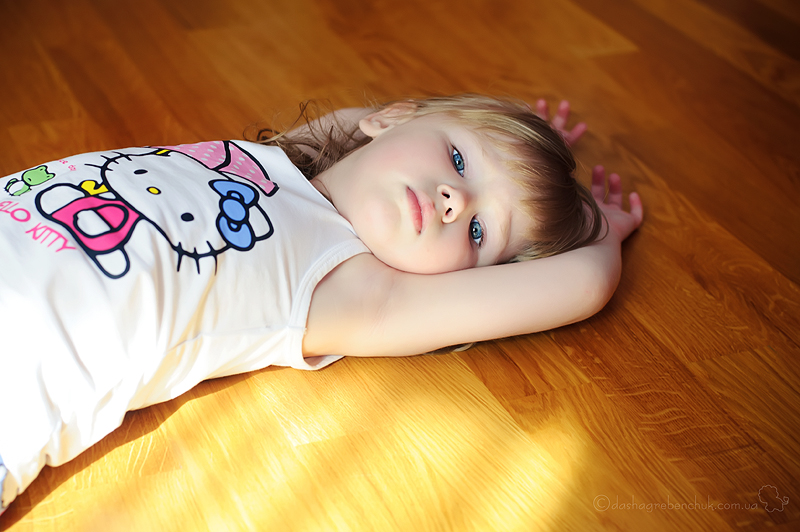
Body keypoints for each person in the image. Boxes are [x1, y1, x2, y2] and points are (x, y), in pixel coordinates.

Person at [0, 94, 642, 514]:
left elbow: (583, 287)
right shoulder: (280, 162)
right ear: (393, 118)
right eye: (458, 158)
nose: (455, 199)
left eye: (479, 231)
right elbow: (369, 120)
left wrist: (601, 235)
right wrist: (519, 131)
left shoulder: (349, 290)